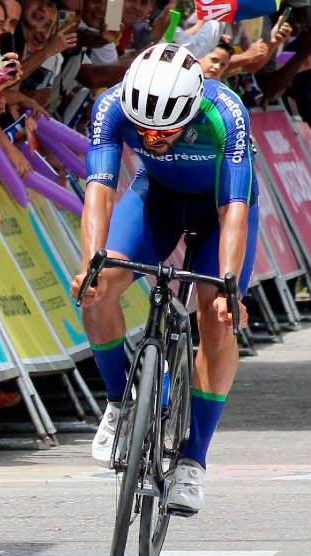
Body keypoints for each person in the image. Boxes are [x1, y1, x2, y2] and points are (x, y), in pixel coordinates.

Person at [74, 43, 258, 516]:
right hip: (155, 199)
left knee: (217, 314)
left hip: (220, 209)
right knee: (97, 292)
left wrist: (230, 285)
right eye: (145, 130)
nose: (153, 139)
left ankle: (194, 460)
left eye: (167, 130)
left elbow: (234, 208)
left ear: (191, 109)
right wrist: (91, 263)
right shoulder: (112, 106)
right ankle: (118, 404)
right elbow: (99, 189)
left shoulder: (226, 113)